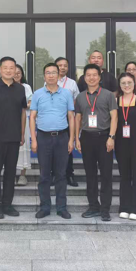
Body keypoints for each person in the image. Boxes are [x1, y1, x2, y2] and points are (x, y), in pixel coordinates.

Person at [30, 63, 75, 220]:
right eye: (48, 73)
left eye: (54, 72)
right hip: (43, 137)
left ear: (58, 75)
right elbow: (32, 117)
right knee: (44, 175)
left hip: (62, 137)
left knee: (61, 174)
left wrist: (71, 139)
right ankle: (45, 207)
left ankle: (62, 208)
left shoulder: (66, 93)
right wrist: (33, 139)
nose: (51, 75)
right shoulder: (37, 94)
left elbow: (71, 117)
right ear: (44, 76)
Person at [0, 57, 27, 220]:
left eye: (12, 67)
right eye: (6, 67)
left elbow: (23, 113)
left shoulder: (20, 89)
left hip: (14, 137)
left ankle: (7, 204)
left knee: (11, 173)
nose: (9, 70)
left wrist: (22, 133)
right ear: (0, 69)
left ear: (16, 70)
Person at [74, 64, 117, 222]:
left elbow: (114, 117)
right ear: (84, 78)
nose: (91, 78)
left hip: (104, 137)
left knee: (106, 174)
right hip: (86, 137)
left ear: (99, 77)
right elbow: (78, 118)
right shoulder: (80, 97)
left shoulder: (108, 95)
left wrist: (111, 137)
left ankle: (105, 209)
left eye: (94, 75)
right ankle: (93, 206)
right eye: (88, 75)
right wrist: (77, 138)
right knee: (90, 174)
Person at [114, 72, 136, 220]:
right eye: (123, 83)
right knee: (124, 175)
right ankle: (125, 207)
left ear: (134, 84)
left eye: (129, 82)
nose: (126, 85)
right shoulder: (116, 101)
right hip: (121, 143)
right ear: (119, 85)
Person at [56, 57, 80, 187]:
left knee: (68, 147)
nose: (62, 67)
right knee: (54, 147)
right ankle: (54, 174)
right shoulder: (49, 81)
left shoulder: (72, 83)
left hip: (68, 117)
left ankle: (69, 174)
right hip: (54, 118)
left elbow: (77, 100)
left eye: (65, 65)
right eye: (60, 65)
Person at [15, 64, 33, 186]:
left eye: (19, 73)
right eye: (14, 72)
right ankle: (10, 174)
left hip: (24, 120)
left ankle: (22, 175)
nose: (16, 75)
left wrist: (23, 106)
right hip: (9, 121)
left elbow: (31, 102)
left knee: (23, 146)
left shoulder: (26, 87)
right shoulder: (5, 87)